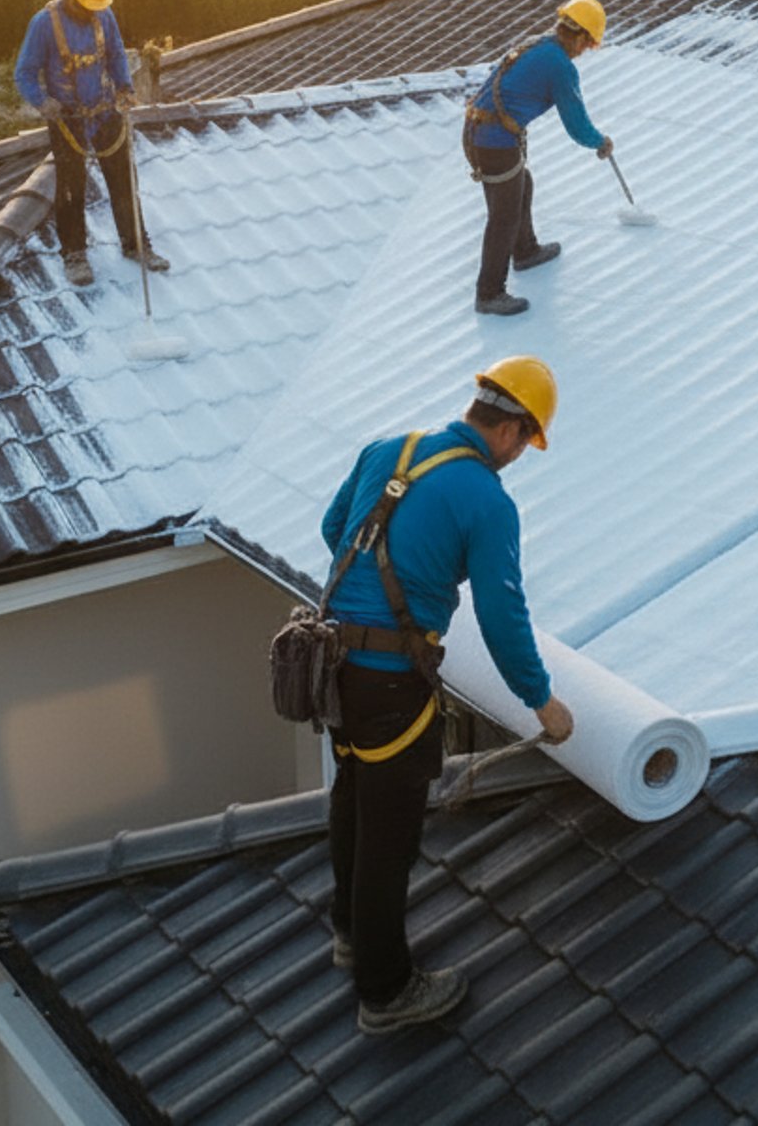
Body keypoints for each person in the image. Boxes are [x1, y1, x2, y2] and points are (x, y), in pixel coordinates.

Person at [321, 355, 574, 1035]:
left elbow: (332, 530)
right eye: (526, 443)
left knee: (351, 788)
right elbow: (501, 615)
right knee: (389, 834)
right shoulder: (487, 502)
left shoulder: (388, 449)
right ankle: (386, 991)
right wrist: (541, 700)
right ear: (512, 431)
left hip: (333, 661)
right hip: (391, 682)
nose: (521, 456)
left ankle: (348, 934)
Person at [13, 0, 169, 287]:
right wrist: (43, 102)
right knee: (71, 188)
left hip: (105, 112)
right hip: (67, 118)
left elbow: (115, 55)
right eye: (87, 4)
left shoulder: (104, 16)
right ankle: (74, 254)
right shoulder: (44, 24)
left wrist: (125, 88)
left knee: (124, 181)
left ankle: (136, 244)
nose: (92, 11)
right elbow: (24, 73)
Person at [463, 0, 612, 316]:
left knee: (522, 183)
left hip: (479, 132)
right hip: (495, 141)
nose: (584, 52)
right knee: (503, 217)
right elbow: (576, 123)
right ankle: (488, 293)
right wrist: (599, 142)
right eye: (588, 45)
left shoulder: (538, 44)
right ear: (582, 37)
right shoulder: (560, 66)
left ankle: (526, 250)